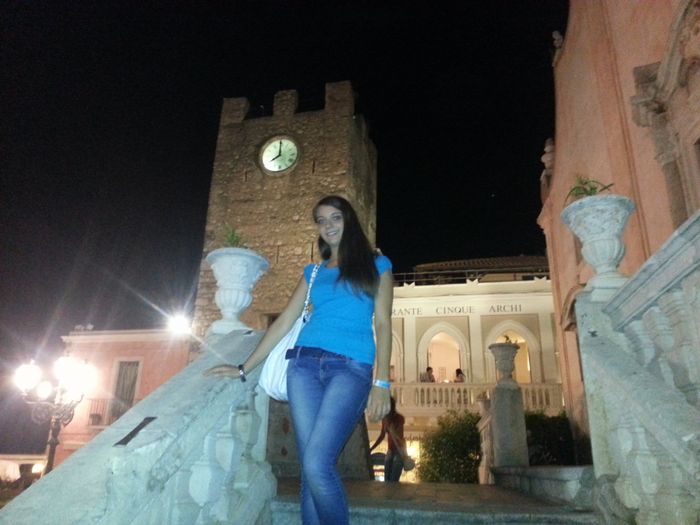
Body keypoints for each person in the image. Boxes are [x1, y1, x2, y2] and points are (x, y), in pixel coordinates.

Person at [205, 195, 393, 525]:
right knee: (310, 470)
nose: (328, 225)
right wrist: (244, 368)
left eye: (335, 218)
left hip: (350, 369)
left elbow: (383, 323)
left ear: (348, 220)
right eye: (321, 220)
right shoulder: (314, 272)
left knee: (318, 465)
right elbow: (283, 323)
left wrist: (382, 383)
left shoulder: (378, 264)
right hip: (303, 366)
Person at [369, 396, 409, 482]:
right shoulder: (385, 419)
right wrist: (371, 449)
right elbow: (382, 436)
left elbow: (399, 437)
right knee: (387, 479)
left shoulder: (399, 418)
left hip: (399, 451)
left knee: (394, 479)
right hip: (390, 451)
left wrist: (392, 429)